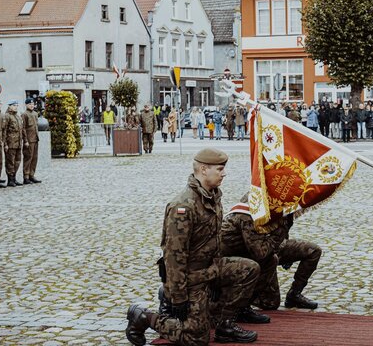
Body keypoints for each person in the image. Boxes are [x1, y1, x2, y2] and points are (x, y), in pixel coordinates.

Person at [126, 148, 260, 346]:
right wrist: (178, 296)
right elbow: (173, 256)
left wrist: (216, 278)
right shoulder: (183, 206)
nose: (224, 173)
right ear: (204, 169)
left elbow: (214, 241)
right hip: (191, 277)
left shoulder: (213, 196)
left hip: (211, 269)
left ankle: (225, 324)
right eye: (220, 169)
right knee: (196, 339)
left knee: (249, 269)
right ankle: (145, 317)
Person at [221, 195, 321, 313]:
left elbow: (279, 229)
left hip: (267, 245)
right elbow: (260, 253)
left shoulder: (282, 197)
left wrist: (283, 233)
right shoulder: (252, 206)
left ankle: (294, 295)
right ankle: (240, 300)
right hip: (245, 253)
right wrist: (281, 231)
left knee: (313, 251)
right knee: (270, 303)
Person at [4, 100, 23, 187]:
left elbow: (21, 130)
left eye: (17, 105)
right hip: (10, 143)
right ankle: (10, 179)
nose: (16, 107)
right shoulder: (7, 116)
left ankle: (14, 177)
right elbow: (4, 131)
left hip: (18, 143)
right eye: (14, 105)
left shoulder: (18, 117)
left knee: (17, 161)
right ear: (9, 106)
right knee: (10, 162)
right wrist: (5, 144)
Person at [21, 98, 41, 184]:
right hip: (29, 140)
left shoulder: (35, 114)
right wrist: (25, 140)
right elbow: (23, 128)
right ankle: (26, 176)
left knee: (34, 158)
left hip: (35, 139)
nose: (32, 105)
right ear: (26, 105)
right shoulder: (24, 114)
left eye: (33, 104)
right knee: (28, 158)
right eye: (30, 104)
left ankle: (32, 175)